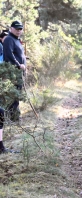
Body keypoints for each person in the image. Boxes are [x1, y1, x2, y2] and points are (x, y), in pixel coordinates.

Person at [0, 21, 26, 154]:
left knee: (16, 99)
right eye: (16, 29)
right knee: (10, 100)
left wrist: (24, 64)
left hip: (18, 74)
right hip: (12, 74)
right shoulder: (9, 39)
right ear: (11, 28)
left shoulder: (17, 40)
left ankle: (12, 119)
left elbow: (19, 55)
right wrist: (18, 66)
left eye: (20, 29)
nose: (19, 30)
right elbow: (9, 56)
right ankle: (9, 120)